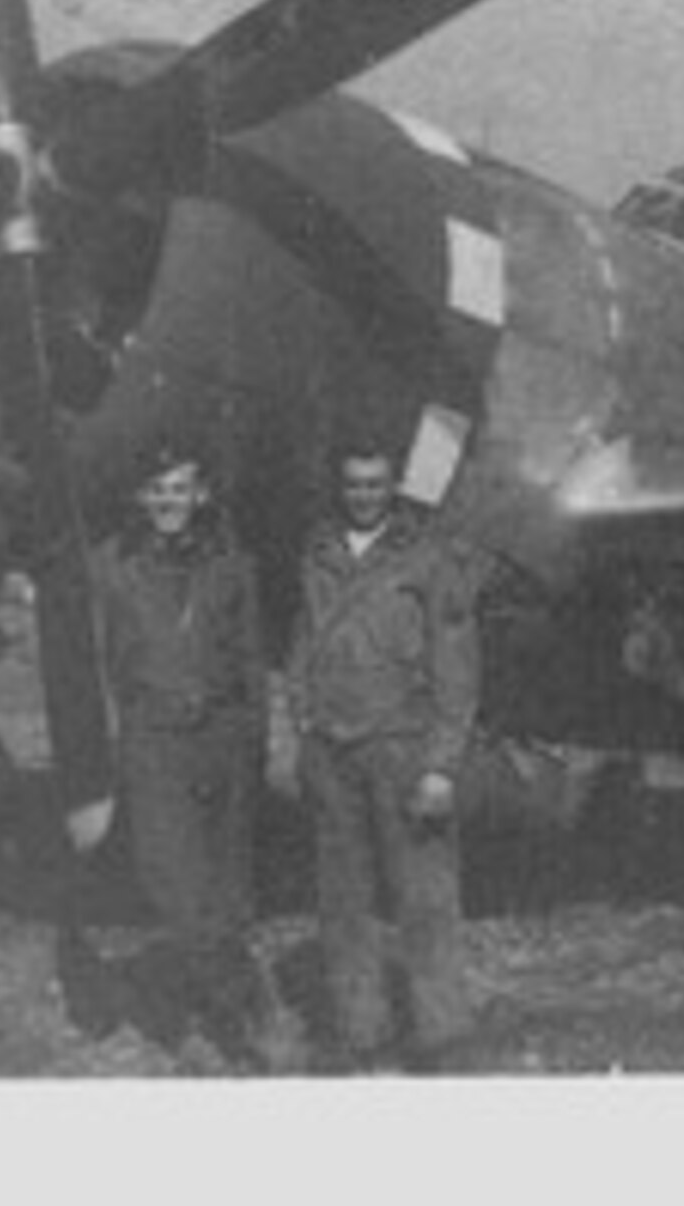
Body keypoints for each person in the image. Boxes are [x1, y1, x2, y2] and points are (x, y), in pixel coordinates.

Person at [62, 442, 292, 1070]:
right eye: (157, 490)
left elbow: (250, 663)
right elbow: (97, 662)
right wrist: (121, 739)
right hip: (153, 742)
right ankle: (236, 1015)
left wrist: (254, 745)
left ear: (201, 496)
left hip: (222, 738)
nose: (169, 501)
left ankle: (241, 999)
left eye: (180, 489)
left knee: (228, 890)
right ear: (142, 498)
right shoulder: (109, 567)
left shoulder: (234, 569)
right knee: (175, 888)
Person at [288, 435, 486, 1072]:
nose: (363, 496)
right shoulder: (317, 554)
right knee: (343, 902)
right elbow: (302, 644)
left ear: (393, 486)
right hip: (332, 750)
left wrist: (440, 765)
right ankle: (361, 1033)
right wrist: (301, 719)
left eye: (375, 484)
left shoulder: (428, 557)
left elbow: (457, 667)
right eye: (353, 485)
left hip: (403, 749)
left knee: (423, 899)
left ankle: (443, 1035)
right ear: (340, 487)